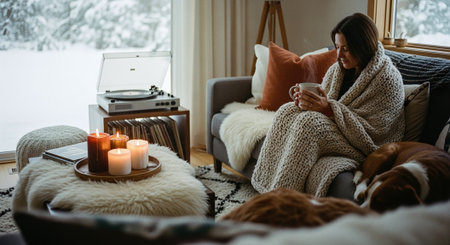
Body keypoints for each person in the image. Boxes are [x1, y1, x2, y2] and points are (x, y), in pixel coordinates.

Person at [251, 13, 405, 197]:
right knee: (287, 110)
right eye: (337, 47)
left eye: (346, 49)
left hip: (365, 144)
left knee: (310, 124)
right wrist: (308, 103)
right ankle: (265, 188)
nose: (339, 55)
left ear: (363, 46)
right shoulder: (337, 69)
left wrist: (328, 109)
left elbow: (376, 132)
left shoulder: (388, 79)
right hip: (340, 128)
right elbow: (325, 103)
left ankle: (284, 199)